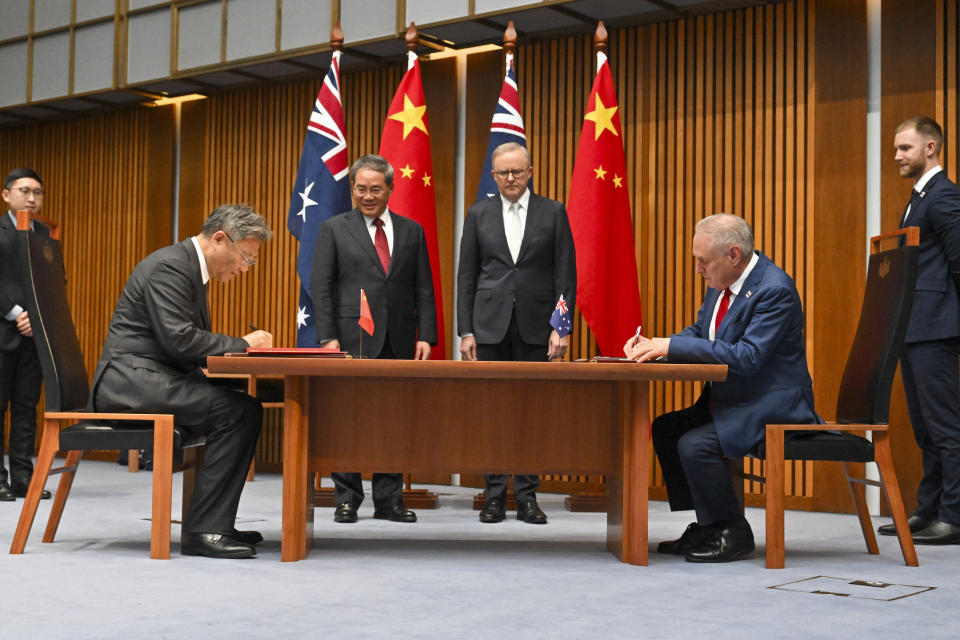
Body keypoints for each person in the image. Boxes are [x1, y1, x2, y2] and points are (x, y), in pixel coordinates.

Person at [624, 213, 819, 562]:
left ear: (733, 255)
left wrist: (671, 346)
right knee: (667, 429)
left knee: (696, 445)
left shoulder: (775, 290)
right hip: (735, 400)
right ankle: (708, 525)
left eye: (703, 261)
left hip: (771, 404)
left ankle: (733, 531)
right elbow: (700, 333)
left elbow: (748, 356)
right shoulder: (722, 285)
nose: (698, 268)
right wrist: (654, 346)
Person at [90, 204, 273, 559]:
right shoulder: (171, 266)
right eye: (245, 258)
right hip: (130, 382)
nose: (244, 269)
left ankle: (212, 522)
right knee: (239, 411)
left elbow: (180, 344)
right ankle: (206, 529)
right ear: (221, 238)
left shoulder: (188, 268)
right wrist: (243, 345)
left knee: (239, 403)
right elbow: (180, 339)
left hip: (151, 377)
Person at [310, 154, 437, 524]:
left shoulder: (412, 230)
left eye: (375, 189)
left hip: (399, 338)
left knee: (394, 420)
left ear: (390, 189)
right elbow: (322, 288)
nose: (367, 196)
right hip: (351, 338)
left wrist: (426, 334)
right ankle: (346, 498)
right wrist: (328, 338)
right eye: (361, 189)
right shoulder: (334, 228)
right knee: (347, 418)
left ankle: (389, 500)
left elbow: (424, 287)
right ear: (352, 188)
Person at [457, 141, 577, 525]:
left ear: (530, 172)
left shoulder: (553, 212)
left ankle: (527, 496)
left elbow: (566, 275)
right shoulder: (478, 214)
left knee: (530, 412)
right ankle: (493, 496)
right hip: (488, 327)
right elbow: (466, 277)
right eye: (503, 173)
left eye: (517, 171)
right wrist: (465, 331)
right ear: (493, 176)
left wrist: (561, 326)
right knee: (492, 413)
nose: (510, 178)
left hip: (537, 326)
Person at [876, 116, 960, 545]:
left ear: (931, 148)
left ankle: (954, 515)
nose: (896, 157)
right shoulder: (917, 198)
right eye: (895, 149)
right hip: (914, 327)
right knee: (925, 428)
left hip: (935, 329)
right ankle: (928, 511)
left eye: (904, 148)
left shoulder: (943, 197)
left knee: (945, 426)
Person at [0, 168, 52, 502]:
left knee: (26, 407)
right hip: (3, 330)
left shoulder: (45, 233)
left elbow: (52, 282)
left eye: (38, 192)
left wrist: (39, 317)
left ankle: (23, 476)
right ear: (6, 194)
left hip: (36, 337)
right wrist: (18, 313)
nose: (32, 198)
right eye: (24, 191)